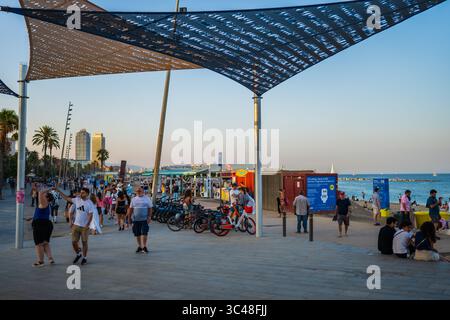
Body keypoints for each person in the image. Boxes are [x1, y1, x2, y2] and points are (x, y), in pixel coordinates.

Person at [54, 186, 95, 265]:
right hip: (76, 225)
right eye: (81, 192)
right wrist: (58, 190)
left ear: (87, 194)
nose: (81, 194)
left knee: (84, 242)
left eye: (83, 193)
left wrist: (87, 224)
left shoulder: (89, 203)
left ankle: (84, 258)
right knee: (73, 242)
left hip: (84, 227)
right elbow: (66, 198)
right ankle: (78, 254)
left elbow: (90, 214)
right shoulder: (77, 200)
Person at [29, 187, 55, 267]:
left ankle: (40, 261)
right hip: (47, 224)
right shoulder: (46, 205)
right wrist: (32, 218)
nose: (42, 195)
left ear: (47, 198)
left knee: (38, 244)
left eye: (44, 195)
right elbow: (41, 214)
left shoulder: (44, 203)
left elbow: (40, 192)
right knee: (45, 243)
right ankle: (50, 259)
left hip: (40, 225)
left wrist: (51, 188)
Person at [127, 187, 153, 254]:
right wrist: (129, 218)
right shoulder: (133, 199)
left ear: (143, 191)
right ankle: (140, 246)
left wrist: (149, 217)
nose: (138, 192)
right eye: (137, 191)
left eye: (140, 191)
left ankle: (144, 246)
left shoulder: (147, 198)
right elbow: (130, 209)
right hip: (136, 220)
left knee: (144, 233)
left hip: (144, 219)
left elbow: (150, 208)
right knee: (137, 234)